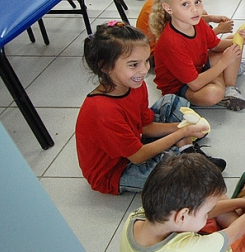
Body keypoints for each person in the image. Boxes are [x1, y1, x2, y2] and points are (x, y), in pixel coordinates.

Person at [76, 21, 224, 195]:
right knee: (172, 178)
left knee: (172, 101)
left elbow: (145, 126)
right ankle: (183, 154)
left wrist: (184, 127)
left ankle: (183, 150)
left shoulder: (135, 85)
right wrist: (182, 132)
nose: (144, 70)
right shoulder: (103, 110)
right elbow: (138, 156)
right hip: (118, 170)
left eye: (146, 61)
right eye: (133, 65)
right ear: (105, 66)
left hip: (136, 140)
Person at [120, 154, 245, 252]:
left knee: (212, 195)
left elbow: (208, 210)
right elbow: (234, 232)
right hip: (219, 244)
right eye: (205, 213)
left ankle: (244, 217)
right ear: (182, 216)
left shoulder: (139, 216)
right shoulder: (186, 249)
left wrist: (239, 203)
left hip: (200, 236)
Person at [151, 0, 245, 110]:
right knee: (213, 94)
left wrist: (241, 39)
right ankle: (225, 74)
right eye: (185, 4)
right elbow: (194, 84)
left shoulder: (197, 21)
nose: (194, 9)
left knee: (233, 41)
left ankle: (229, 87)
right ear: (168, 8)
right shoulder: (172, 42)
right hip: (182, 85)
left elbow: (216, 45)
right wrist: (225, 62)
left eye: (197, 2)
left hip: (200, 67)